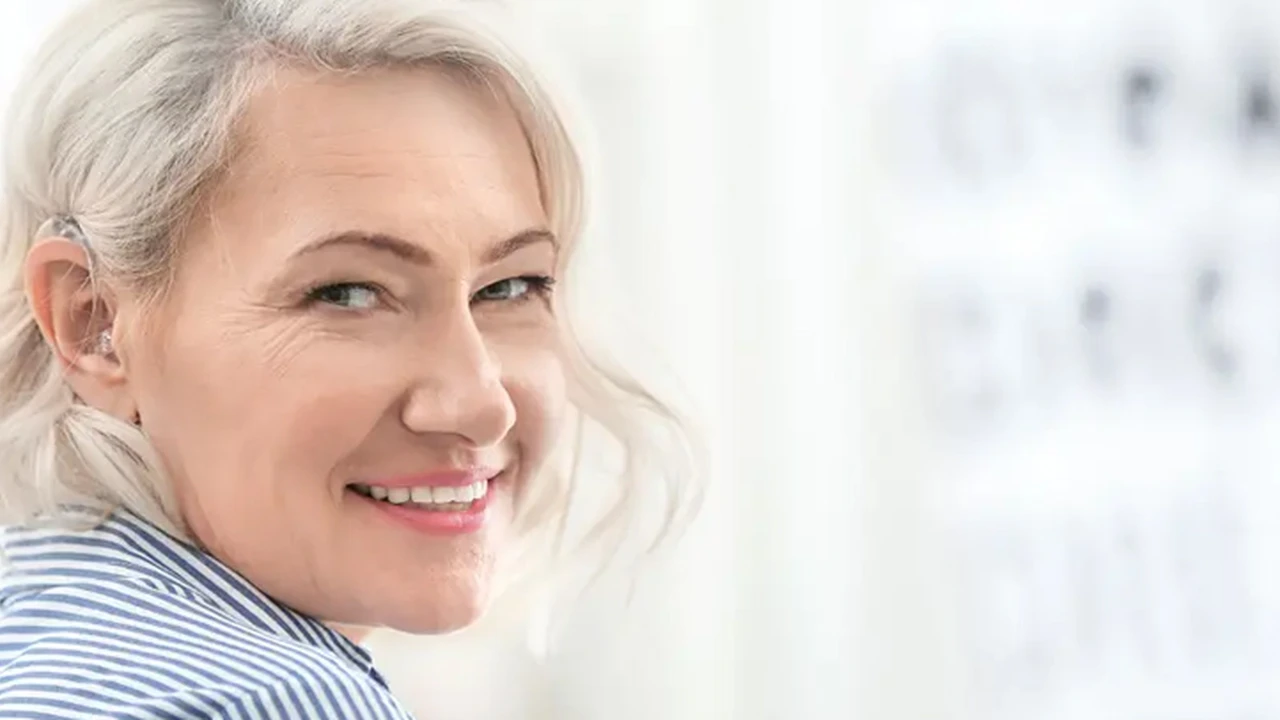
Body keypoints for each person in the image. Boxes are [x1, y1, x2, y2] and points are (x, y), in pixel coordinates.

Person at [0, 0, 696, 717]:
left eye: (512, 286)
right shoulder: (276, 698)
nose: (482, 403)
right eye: (348, 293)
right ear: (93, 322)